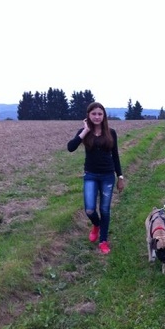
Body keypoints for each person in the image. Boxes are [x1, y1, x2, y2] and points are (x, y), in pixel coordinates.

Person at [67, 102, 125, 254]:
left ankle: (103, 241)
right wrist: (85, 131)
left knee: (105, 210)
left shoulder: (111, 133)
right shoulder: (84, 132)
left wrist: (120, 176)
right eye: (94, 114)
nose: (97, 117)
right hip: (90, 175)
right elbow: (70, 147)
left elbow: (115, 156)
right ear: (88, 115)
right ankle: (96, 225)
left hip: (108, 176)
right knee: (90, 209)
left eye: (100, 114)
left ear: (104, 115)